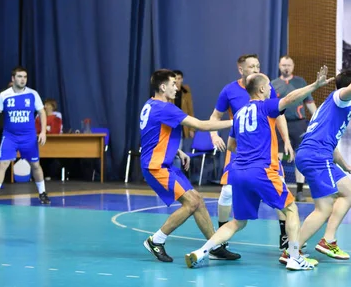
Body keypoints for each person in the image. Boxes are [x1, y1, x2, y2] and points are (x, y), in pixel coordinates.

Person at [185, 66, 333, 270]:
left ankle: (202, 251)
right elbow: (290, 99)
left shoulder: (238, 114)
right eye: (270, 86)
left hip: (238, 172)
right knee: (291, 209)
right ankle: (294, 257)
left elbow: (231, 146)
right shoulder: (265, 107)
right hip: (261, 171)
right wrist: (315, 85)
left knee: (238, 221)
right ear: (262, 89)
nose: (272, 89)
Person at [278, 50, 351, 265]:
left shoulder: (331, 108)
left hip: (318, 155)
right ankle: (294, 251)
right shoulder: (340, 98)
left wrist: (345, 164)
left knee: (349, 192)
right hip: (316, 157)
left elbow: (331, 143)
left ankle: (326, 240)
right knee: (323, 209)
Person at [141, 69, 241, 263]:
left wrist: (177, 151)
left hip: (163, 163)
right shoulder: (165, 108)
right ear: (163, 87)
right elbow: (201, 126)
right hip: (157, 166)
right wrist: (235, 120)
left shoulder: (150, 105)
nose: (177, 89)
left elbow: (153, 136)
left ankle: (215, 246)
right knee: (192, 202)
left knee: (198, 200)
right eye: (173, 84)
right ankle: (156, 240)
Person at [209, 54, 296, 251]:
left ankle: (285, 236)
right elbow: (214, 117)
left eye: (258, 66)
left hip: (265, 150)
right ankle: (220, 241)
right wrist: (214, 135)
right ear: (241, 70)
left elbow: (279, 114)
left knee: (281, 190)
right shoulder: (229, 91)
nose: (256, 69)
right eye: (251, 66)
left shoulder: (266, 89)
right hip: (239, 150)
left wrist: (286, 140)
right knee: (227, 193)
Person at [0, 66, 50, 204]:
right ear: (13, 78)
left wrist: (43, 131)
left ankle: (42, 193)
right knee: (2, 164)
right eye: (20, 76)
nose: (23, 80)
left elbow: (42, 112)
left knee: (35, 165)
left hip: (28, 137)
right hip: (9, 136)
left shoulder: (33, 94)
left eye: (25, 77)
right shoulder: (4, 95)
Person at [272, 55, 318, 202]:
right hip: (279, 124)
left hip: (299, 124)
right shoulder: (273, 84)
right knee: (277, 156)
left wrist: (318, 120)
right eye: (283, 65)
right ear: (279, 66)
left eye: (289, 65)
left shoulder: (300, 82)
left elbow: (310, 103)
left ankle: (299, 191)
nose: (286, 67)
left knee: (300, 157)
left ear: (293, 67)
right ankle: (278, 189)